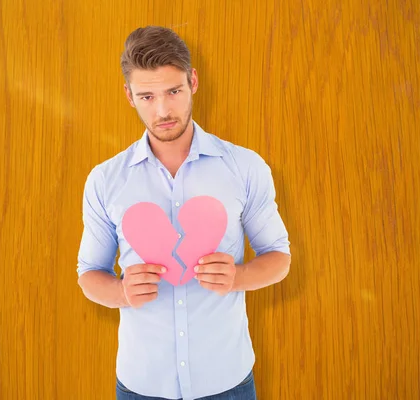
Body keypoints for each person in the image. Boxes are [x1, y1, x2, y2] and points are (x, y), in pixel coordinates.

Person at [76, 25, 291, 400]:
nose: (162, 110)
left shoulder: (244, 167)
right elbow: (88, 274)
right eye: (147, 96)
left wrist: (238, 276)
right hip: (141, 385)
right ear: (129, 96)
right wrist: (121, 292)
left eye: (173, 91)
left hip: (227, 382)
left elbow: (279, 258)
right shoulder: (105, 180)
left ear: (193, 81)